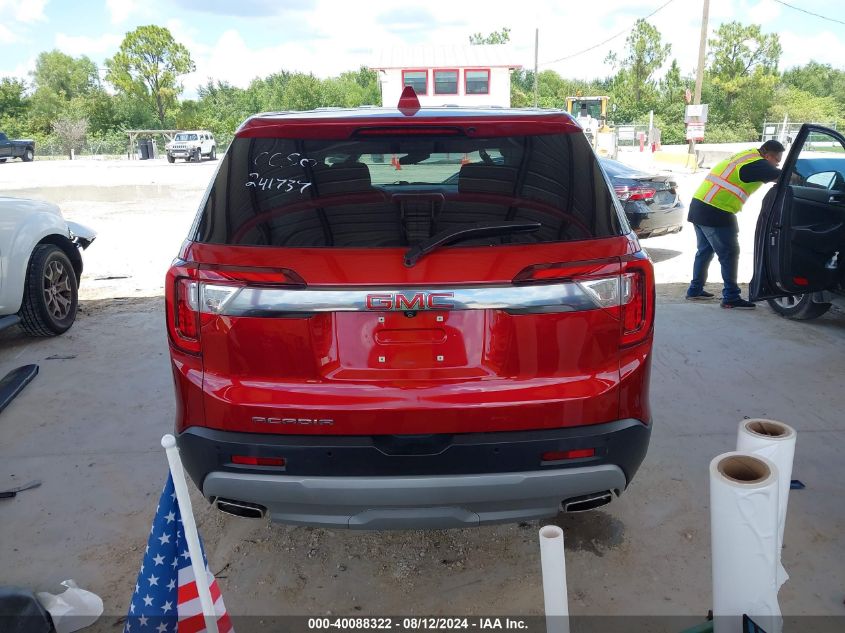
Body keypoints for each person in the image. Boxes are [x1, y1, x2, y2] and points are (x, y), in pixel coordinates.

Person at [686, 140, 785, 309]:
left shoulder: (747, 155)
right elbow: (786, 177)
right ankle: (731, 297)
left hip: (700, 205)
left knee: (705, 251)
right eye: (777, 160)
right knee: (729, 254)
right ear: (768, 155)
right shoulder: (758, 164)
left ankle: (695, 290)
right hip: (716, 211)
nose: (777, 163)